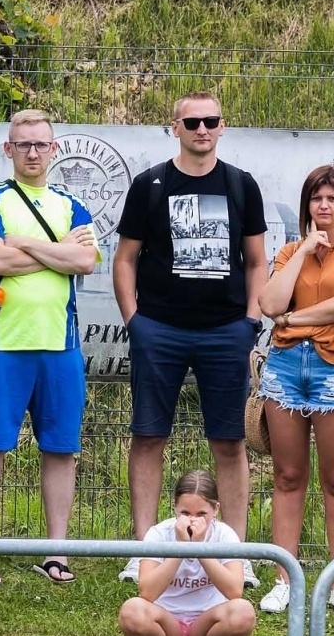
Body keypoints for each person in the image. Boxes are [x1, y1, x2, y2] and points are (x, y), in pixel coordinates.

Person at [112, 92, 267, 591]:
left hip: (226, 332)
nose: (202, 129)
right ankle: (145, 553)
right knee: (148, 435)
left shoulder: (242, 185)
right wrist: (134, 320)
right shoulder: (149, 185)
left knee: (230, 441)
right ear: (174, 127)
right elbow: (125, 258)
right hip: (160, 329)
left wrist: (249, 320)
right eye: (193, 121)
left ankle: (236, 555)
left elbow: (258, 261)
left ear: (223, 127)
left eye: (211, 121)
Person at [0, 109, 100, 586]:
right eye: (23, 144)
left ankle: (55, 552)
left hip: (59, 345)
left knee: (60, 449)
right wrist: (53, 250)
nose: (33, 152)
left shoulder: (70, 203)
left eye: (41, 144)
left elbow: (84, 261)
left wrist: (23, 244)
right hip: (1, 342)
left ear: (54, 148)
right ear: (8, 149)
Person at [255, 163, 334, 619]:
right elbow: (268, 303)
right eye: (315, 199)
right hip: (286, 369)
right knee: (287, 478)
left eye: (331, 198)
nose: (323, 206)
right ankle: (283, 580)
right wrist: (306, 248)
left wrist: (290, 321)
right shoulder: (292, 250)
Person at [118, 470, 255, 636]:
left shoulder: (225, 534)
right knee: (132, 610)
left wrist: (201, 549)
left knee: (243, 612)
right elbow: (147, 592)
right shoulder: (159, 533)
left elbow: (234, 591)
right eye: (185, 512)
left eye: (201, 514)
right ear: (174, 508)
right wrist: (179, 549)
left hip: (206, 628)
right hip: (166, 627)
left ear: (216, 509)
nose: (192, 520)